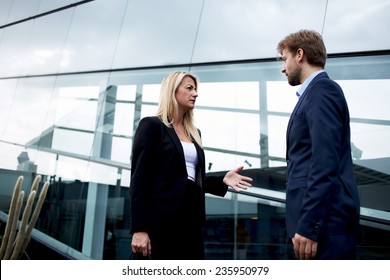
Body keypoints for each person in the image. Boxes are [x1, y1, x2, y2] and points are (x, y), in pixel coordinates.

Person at [129, 71, 253, 260]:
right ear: (172, 91)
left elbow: (191, 178)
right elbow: (139, 180)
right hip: (160, 224)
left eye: (195, 89)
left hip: (190, 223)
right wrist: (139, 229)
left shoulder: (195, 133)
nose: (195, 93)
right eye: (189, 88)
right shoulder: (152, 126)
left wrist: (222, 180)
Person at [276, 30, 360, 260]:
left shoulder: (322, 91)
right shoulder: (314, 93)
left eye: (285, 59)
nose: (283, 68)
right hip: (320, 225)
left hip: (324, 227)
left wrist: (309, 226)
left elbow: (324, 162)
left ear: (299, 54)